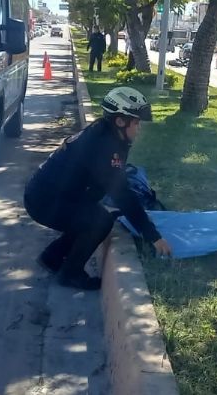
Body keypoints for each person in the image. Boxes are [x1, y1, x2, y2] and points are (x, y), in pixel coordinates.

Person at [24, 87, 173, 290]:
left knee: (92, 214)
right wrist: (153, 236)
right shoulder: (105, 146)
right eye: (136, 122)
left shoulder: (106, 133)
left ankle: (52, 257)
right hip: (44, 202)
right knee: (99, 221)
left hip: (48, 196)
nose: (139, 128)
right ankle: (70, 274)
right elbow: (122, 194)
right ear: (120, 121)